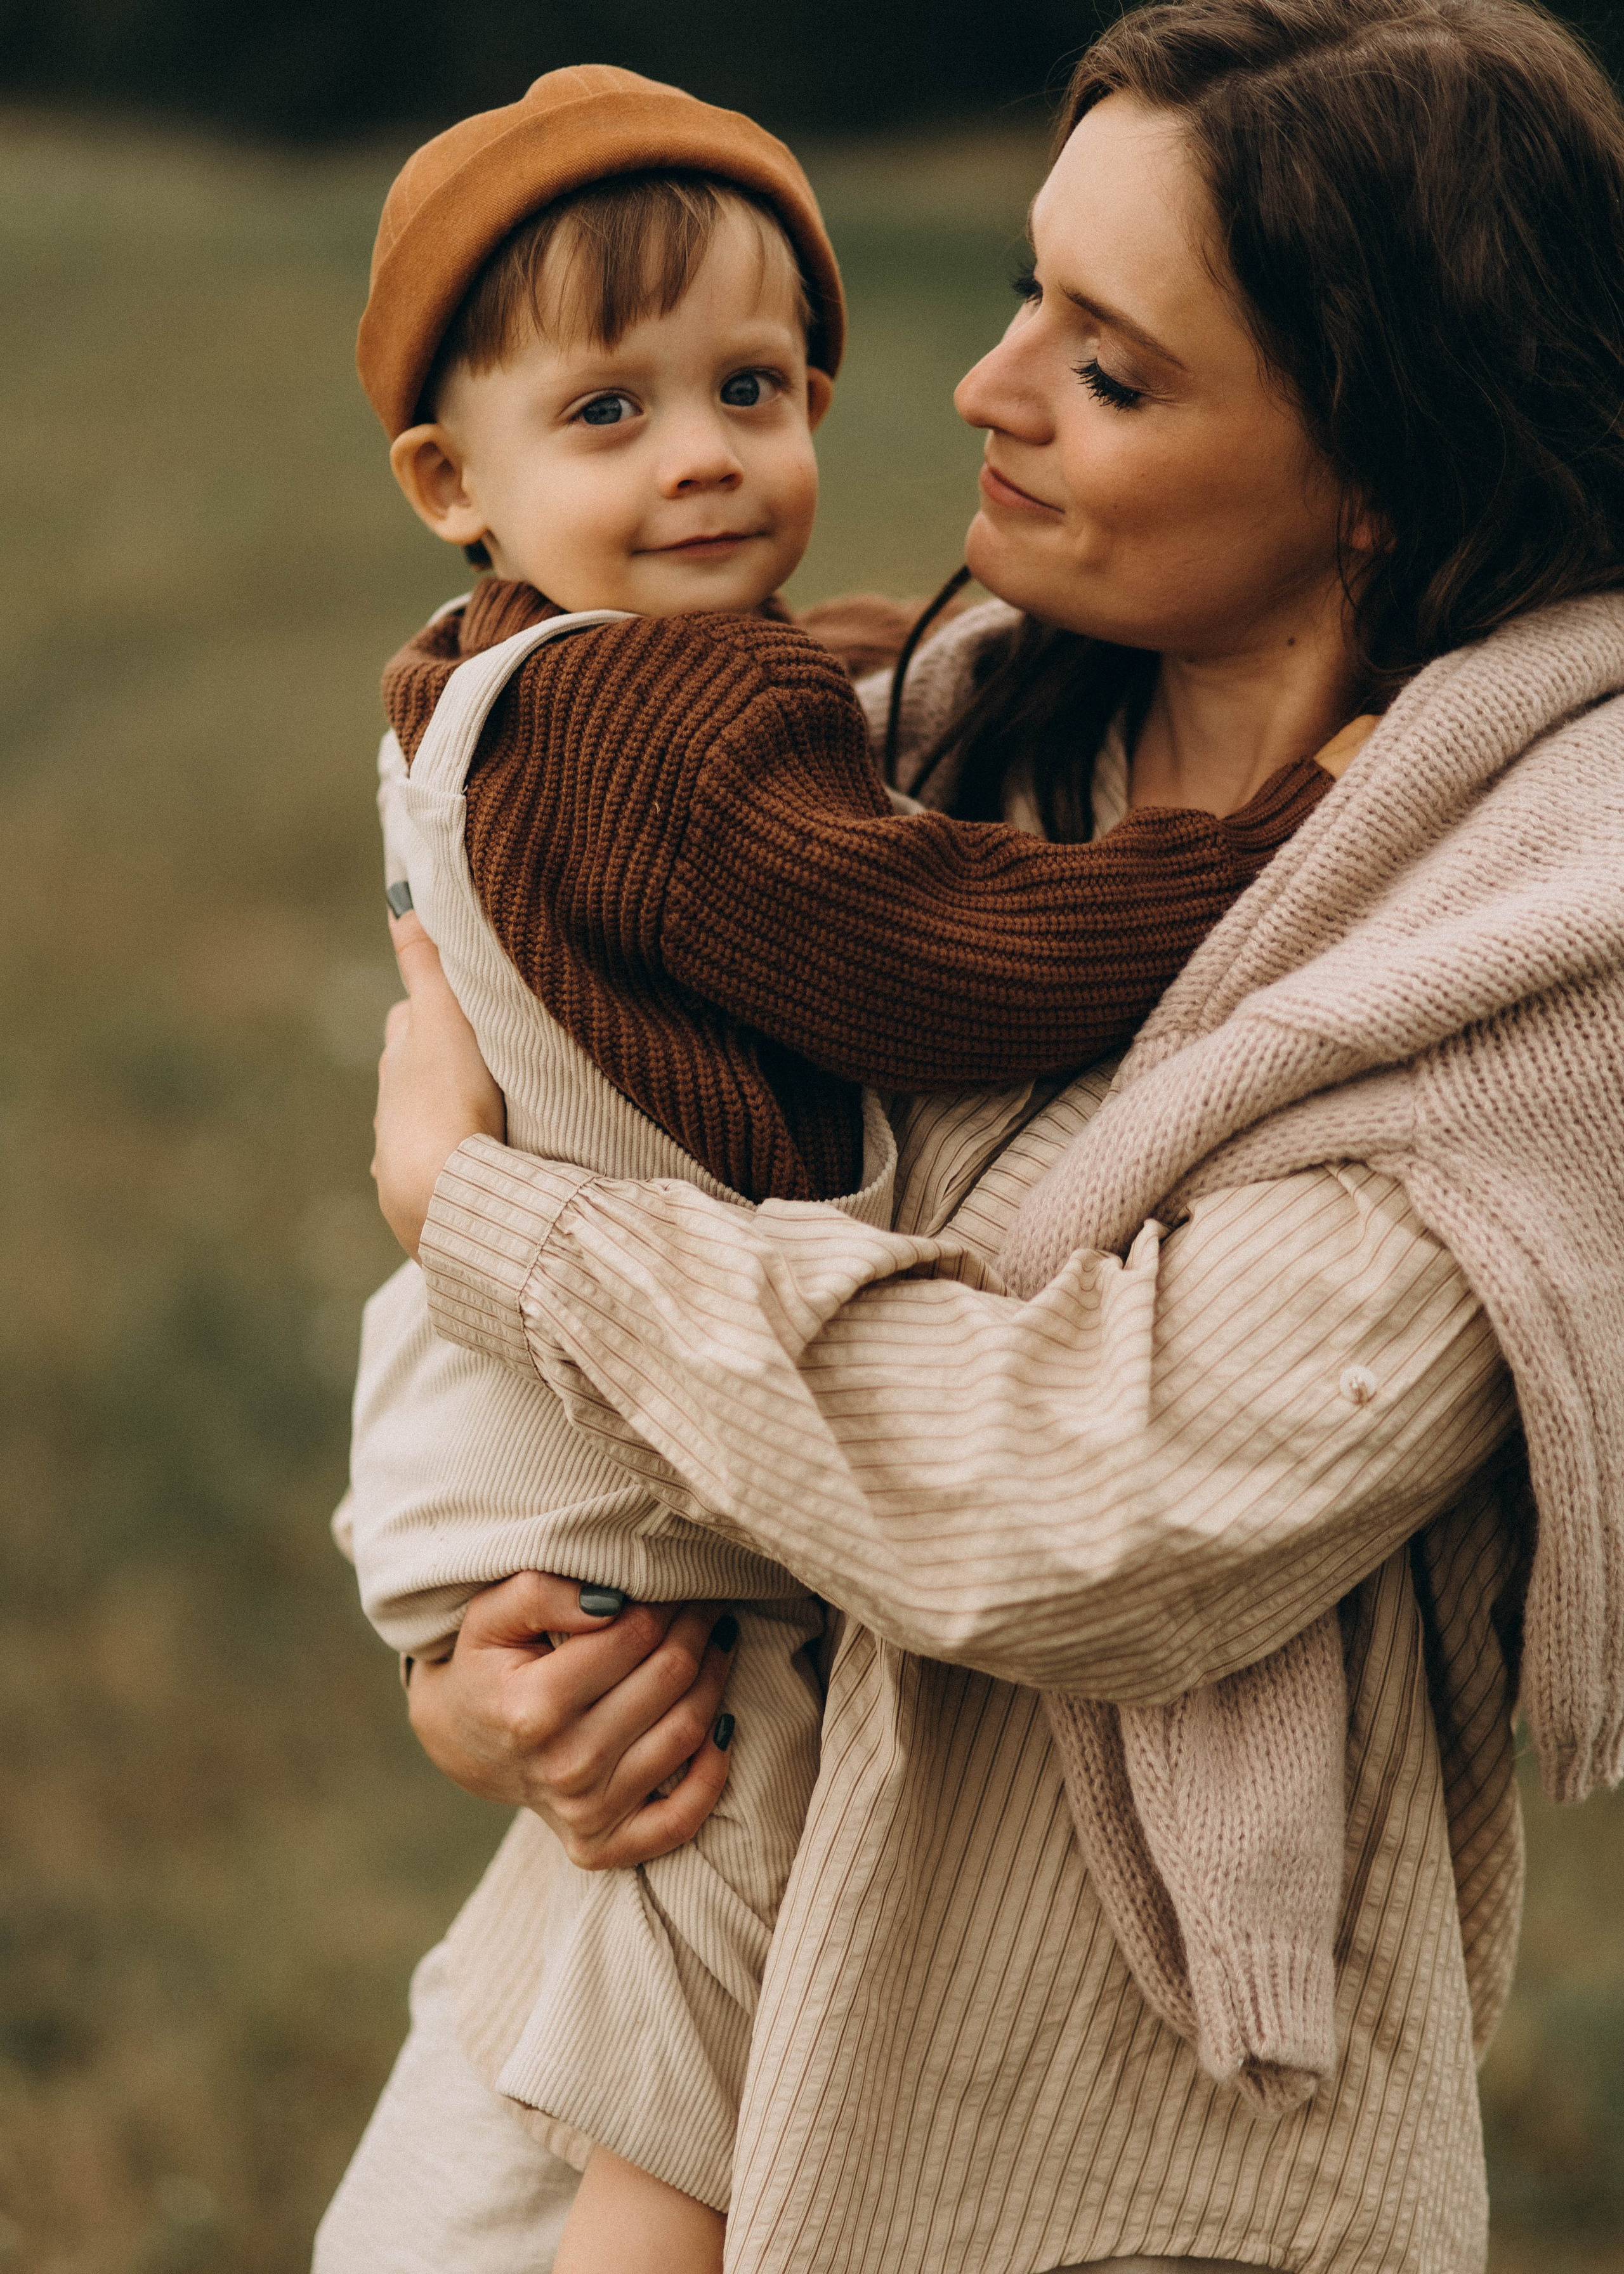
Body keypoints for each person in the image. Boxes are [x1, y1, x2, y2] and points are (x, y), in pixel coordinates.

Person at [353, 3, 1624, 2270]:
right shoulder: (902, 737)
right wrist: (489, 1666)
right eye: (1029, 287)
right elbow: (599, 1195)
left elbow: (1084, 1504)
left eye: (1111, 367)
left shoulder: (1539, 930)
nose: (977, 383)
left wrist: (492, 1226)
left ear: (1384, 469)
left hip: (1082, 2138)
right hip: (646, 1946)